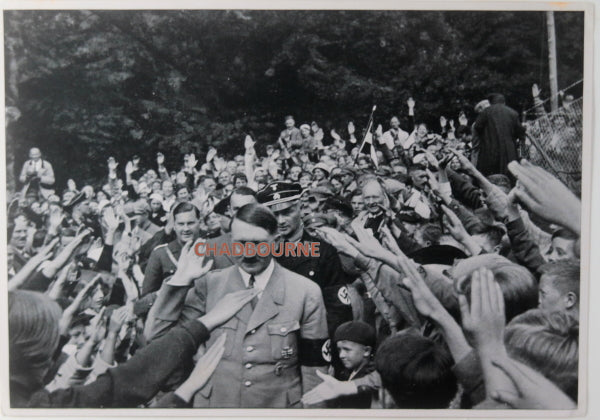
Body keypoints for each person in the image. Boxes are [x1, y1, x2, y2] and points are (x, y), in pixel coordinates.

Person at [145, 203, 330, 408]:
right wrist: (179, 282)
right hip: (218, 406)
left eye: (259, 244)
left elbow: (314, 372)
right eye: (240, 244)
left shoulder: (305, 292)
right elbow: (158, 335)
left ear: (276, 242)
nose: (249, 253)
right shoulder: (209, 285)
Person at [9, 288, 257, 408]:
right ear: (35, 353)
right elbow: (119, 384)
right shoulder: (40, 407)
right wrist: (187, 390)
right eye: (55, 341)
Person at [257, 181, 353, 337]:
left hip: (313, 337)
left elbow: (338, 310)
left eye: (287, 212)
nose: (281, 220)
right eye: (274, 214)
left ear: (300, 208)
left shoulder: (323, 251)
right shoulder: (260, 254)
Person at [473, 93, 525, 177]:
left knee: (491, 177)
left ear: (491, 102)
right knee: (510, 177)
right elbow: (521, 133)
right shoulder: (513, 113)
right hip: (509, 152)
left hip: (490, 151)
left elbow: (477, 127)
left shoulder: (486, 112)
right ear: (504, 102)